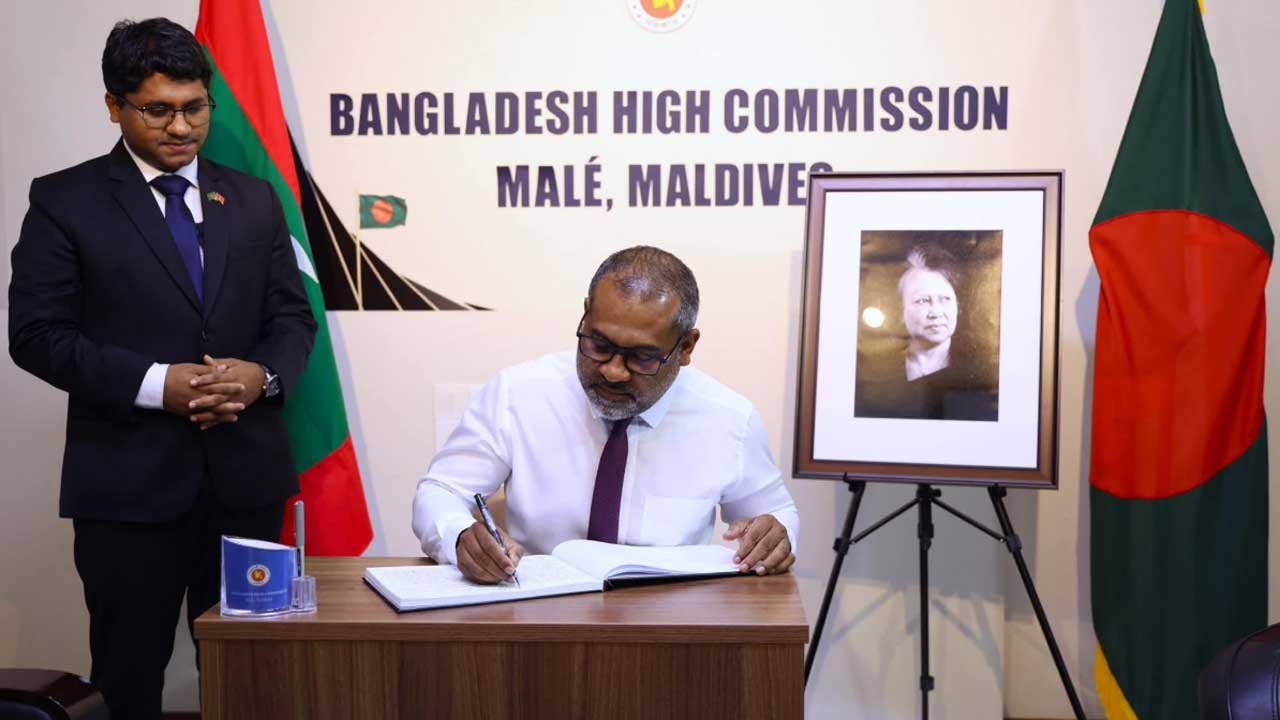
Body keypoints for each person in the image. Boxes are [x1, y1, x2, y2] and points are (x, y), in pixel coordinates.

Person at [7, 18, 316, 719]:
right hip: (128, 491)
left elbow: (293, 320)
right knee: (128, 677)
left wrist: (260, 377)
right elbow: (36, 335)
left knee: (254, 678)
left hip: (246, 486)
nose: (181, 127)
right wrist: (158, 385)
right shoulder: (65, 200)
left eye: (194, 107)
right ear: (114, 105)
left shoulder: (254, 197)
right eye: (157, 110)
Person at [413, 246, 798, 583]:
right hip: (536, 612)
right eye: (599, 345)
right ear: (585, 315)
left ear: (685, 348)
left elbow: (776, 514)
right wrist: (460, 535)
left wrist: (776, 535)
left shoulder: (729, 419)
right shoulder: (517, 393)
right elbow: (441, 491)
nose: (613, 371)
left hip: (669, 621)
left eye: (641, 357)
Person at [854, 243, 998, 421]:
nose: (936, 313)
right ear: (900, 310)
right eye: (922, 301)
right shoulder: (874, 376)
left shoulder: (981, 379)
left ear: (957, 306)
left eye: (945, 299)